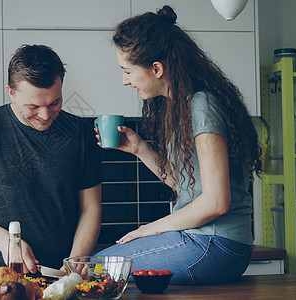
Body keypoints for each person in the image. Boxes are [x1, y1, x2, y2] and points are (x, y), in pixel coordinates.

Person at [95, 5, 262, 285]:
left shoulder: (201, 105)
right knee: (93, 269)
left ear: (156, 69)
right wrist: (139, 148)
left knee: (92, 269)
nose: (125, 81)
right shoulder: (181, 107)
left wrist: (151, 229)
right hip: (209, 243)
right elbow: (184, 186)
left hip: (214, 244)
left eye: (127, 71)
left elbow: (216, 202)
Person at [0, 44, 102, 272]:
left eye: (54, 103)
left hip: (60, 276)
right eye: (33, 106)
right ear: (11, 92)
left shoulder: (80, 133)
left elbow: (91, 208)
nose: (45, 115)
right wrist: (5, 242)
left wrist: (74, 262)